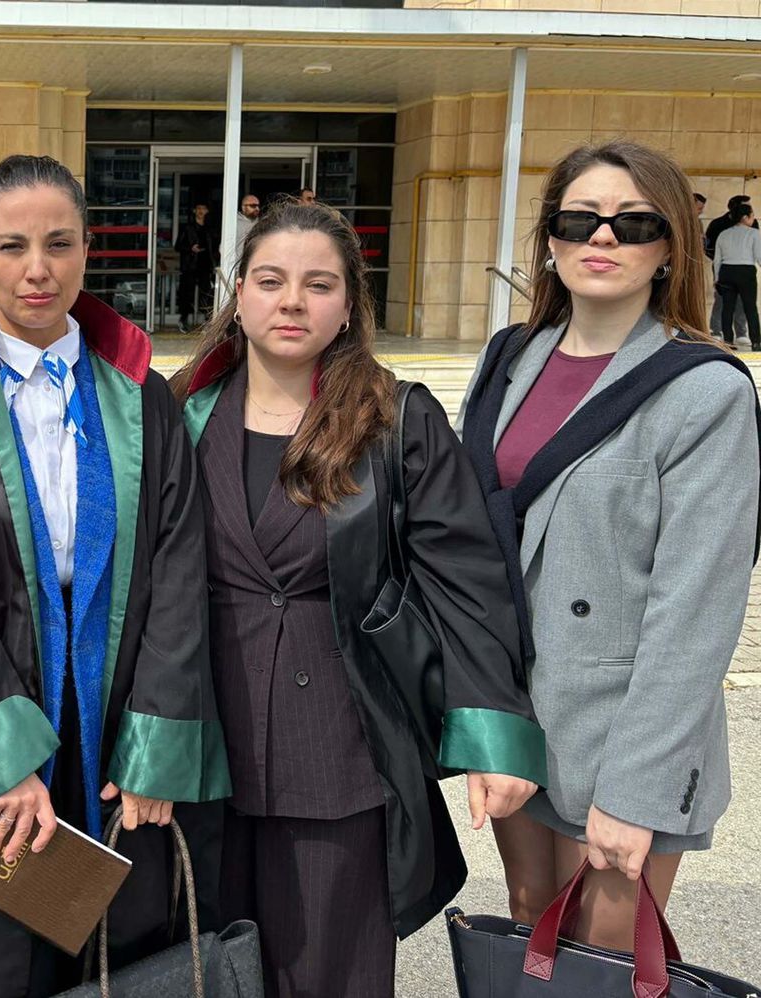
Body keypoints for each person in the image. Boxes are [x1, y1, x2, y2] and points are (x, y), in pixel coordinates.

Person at [171, 198, 543, 997]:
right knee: (206, 973)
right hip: (205, 746)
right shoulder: (182, 412)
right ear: (239, 294)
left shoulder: (395, 419)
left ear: (348, 306)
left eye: (319, 284)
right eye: (270, 280)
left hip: (339, 748)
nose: (292, 301)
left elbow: (466, 581)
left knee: (332, 976)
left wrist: (494, 735)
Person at [0, 154, 230, 998]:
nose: (37, 269)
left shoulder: (141, 398)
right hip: (0, 713)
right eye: (12, 247)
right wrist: (0, 756)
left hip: (118, 720)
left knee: (126, 951)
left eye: (59, 244)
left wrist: (155, 742)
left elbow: (179, 562)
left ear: (86, 251)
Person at [458, 141, 760, 954]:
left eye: (634, 223)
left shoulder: (705, 390)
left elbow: (696, 610)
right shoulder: (507, 357)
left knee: (600, 954)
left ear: (670, 249)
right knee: (529, 924)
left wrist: (638, 790)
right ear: (550, 240)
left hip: (623, 730)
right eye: (580, 219)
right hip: (519, 711)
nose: (602, 237)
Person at [705, 194, 753, 346]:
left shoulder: (752, 224)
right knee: (721, 297)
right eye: (747, 206)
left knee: (742, 299)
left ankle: (741, 333)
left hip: (744, 267)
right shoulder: (718, 224)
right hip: (723, 266)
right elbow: (708, 247)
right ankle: (716, 331)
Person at [714, 200, 761, 351]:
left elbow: (717, 259)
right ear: (745, 217)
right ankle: (756, 342)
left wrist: (716, 278)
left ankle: (728, 341)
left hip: (726, 272)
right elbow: (759, 257)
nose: (753, 219)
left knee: (727, 308)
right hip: (746, 272)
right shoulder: (754, 233)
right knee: (750, 308)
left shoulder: (723, 234)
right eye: (752, 215)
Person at [177, 201, 216, 331]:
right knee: (187, 294)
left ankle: (207, 321)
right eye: (198, 208)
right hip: (190, 266)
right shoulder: (188, 228)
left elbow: (213, 247)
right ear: (194, 211)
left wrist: (213, 263)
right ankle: (184, 319)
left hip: (205, 265)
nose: (200, 211)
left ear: (207, 211)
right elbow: (178, 246)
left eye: (203, 208)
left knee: (206, 293)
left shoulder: (210, 229)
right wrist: (190, 248)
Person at [233, 192, 261, 268]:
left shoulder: (261, 223)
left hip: (255, 265)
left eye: (258, 206)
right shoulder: (234, 223)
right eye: (253, 206)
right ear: (243, 207)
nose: (257, 209)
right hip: (237, 266)